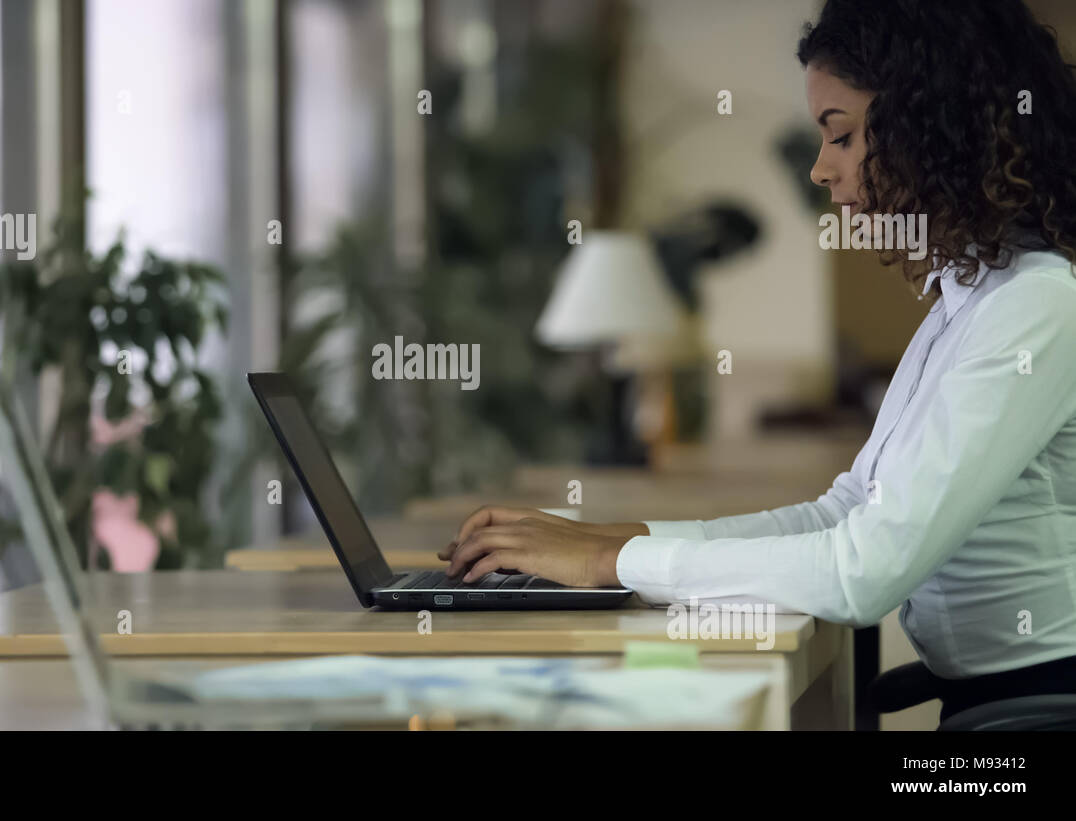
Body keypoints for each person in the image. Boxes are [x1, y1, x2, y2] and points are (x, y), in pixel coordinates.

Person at [439, 0, 1076, 722]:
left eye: (840, 136)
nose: (819, 169)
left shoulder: (1035, 308)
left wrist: (606, 564)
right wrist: (619, 543)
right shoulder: (966, 303)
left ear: (933, 133)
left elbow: (861, 572)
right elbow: (843, 512)